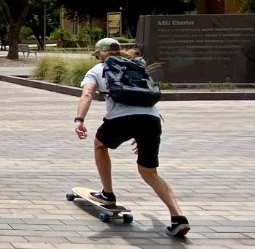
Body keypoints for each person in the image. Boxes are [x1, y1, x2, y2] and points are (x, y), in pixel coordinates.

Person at [73, 38, 189, 237]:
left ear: (100, 54)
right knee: (149, 172)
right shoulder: (137, 66)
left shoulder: (97, 70)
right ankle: (178, 217)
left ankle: (107, 194)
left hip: (121, 119)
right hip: (151, 120)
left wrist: (79, 119)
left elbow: (87, 94)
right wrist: (140, 131)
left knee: (100, 145)